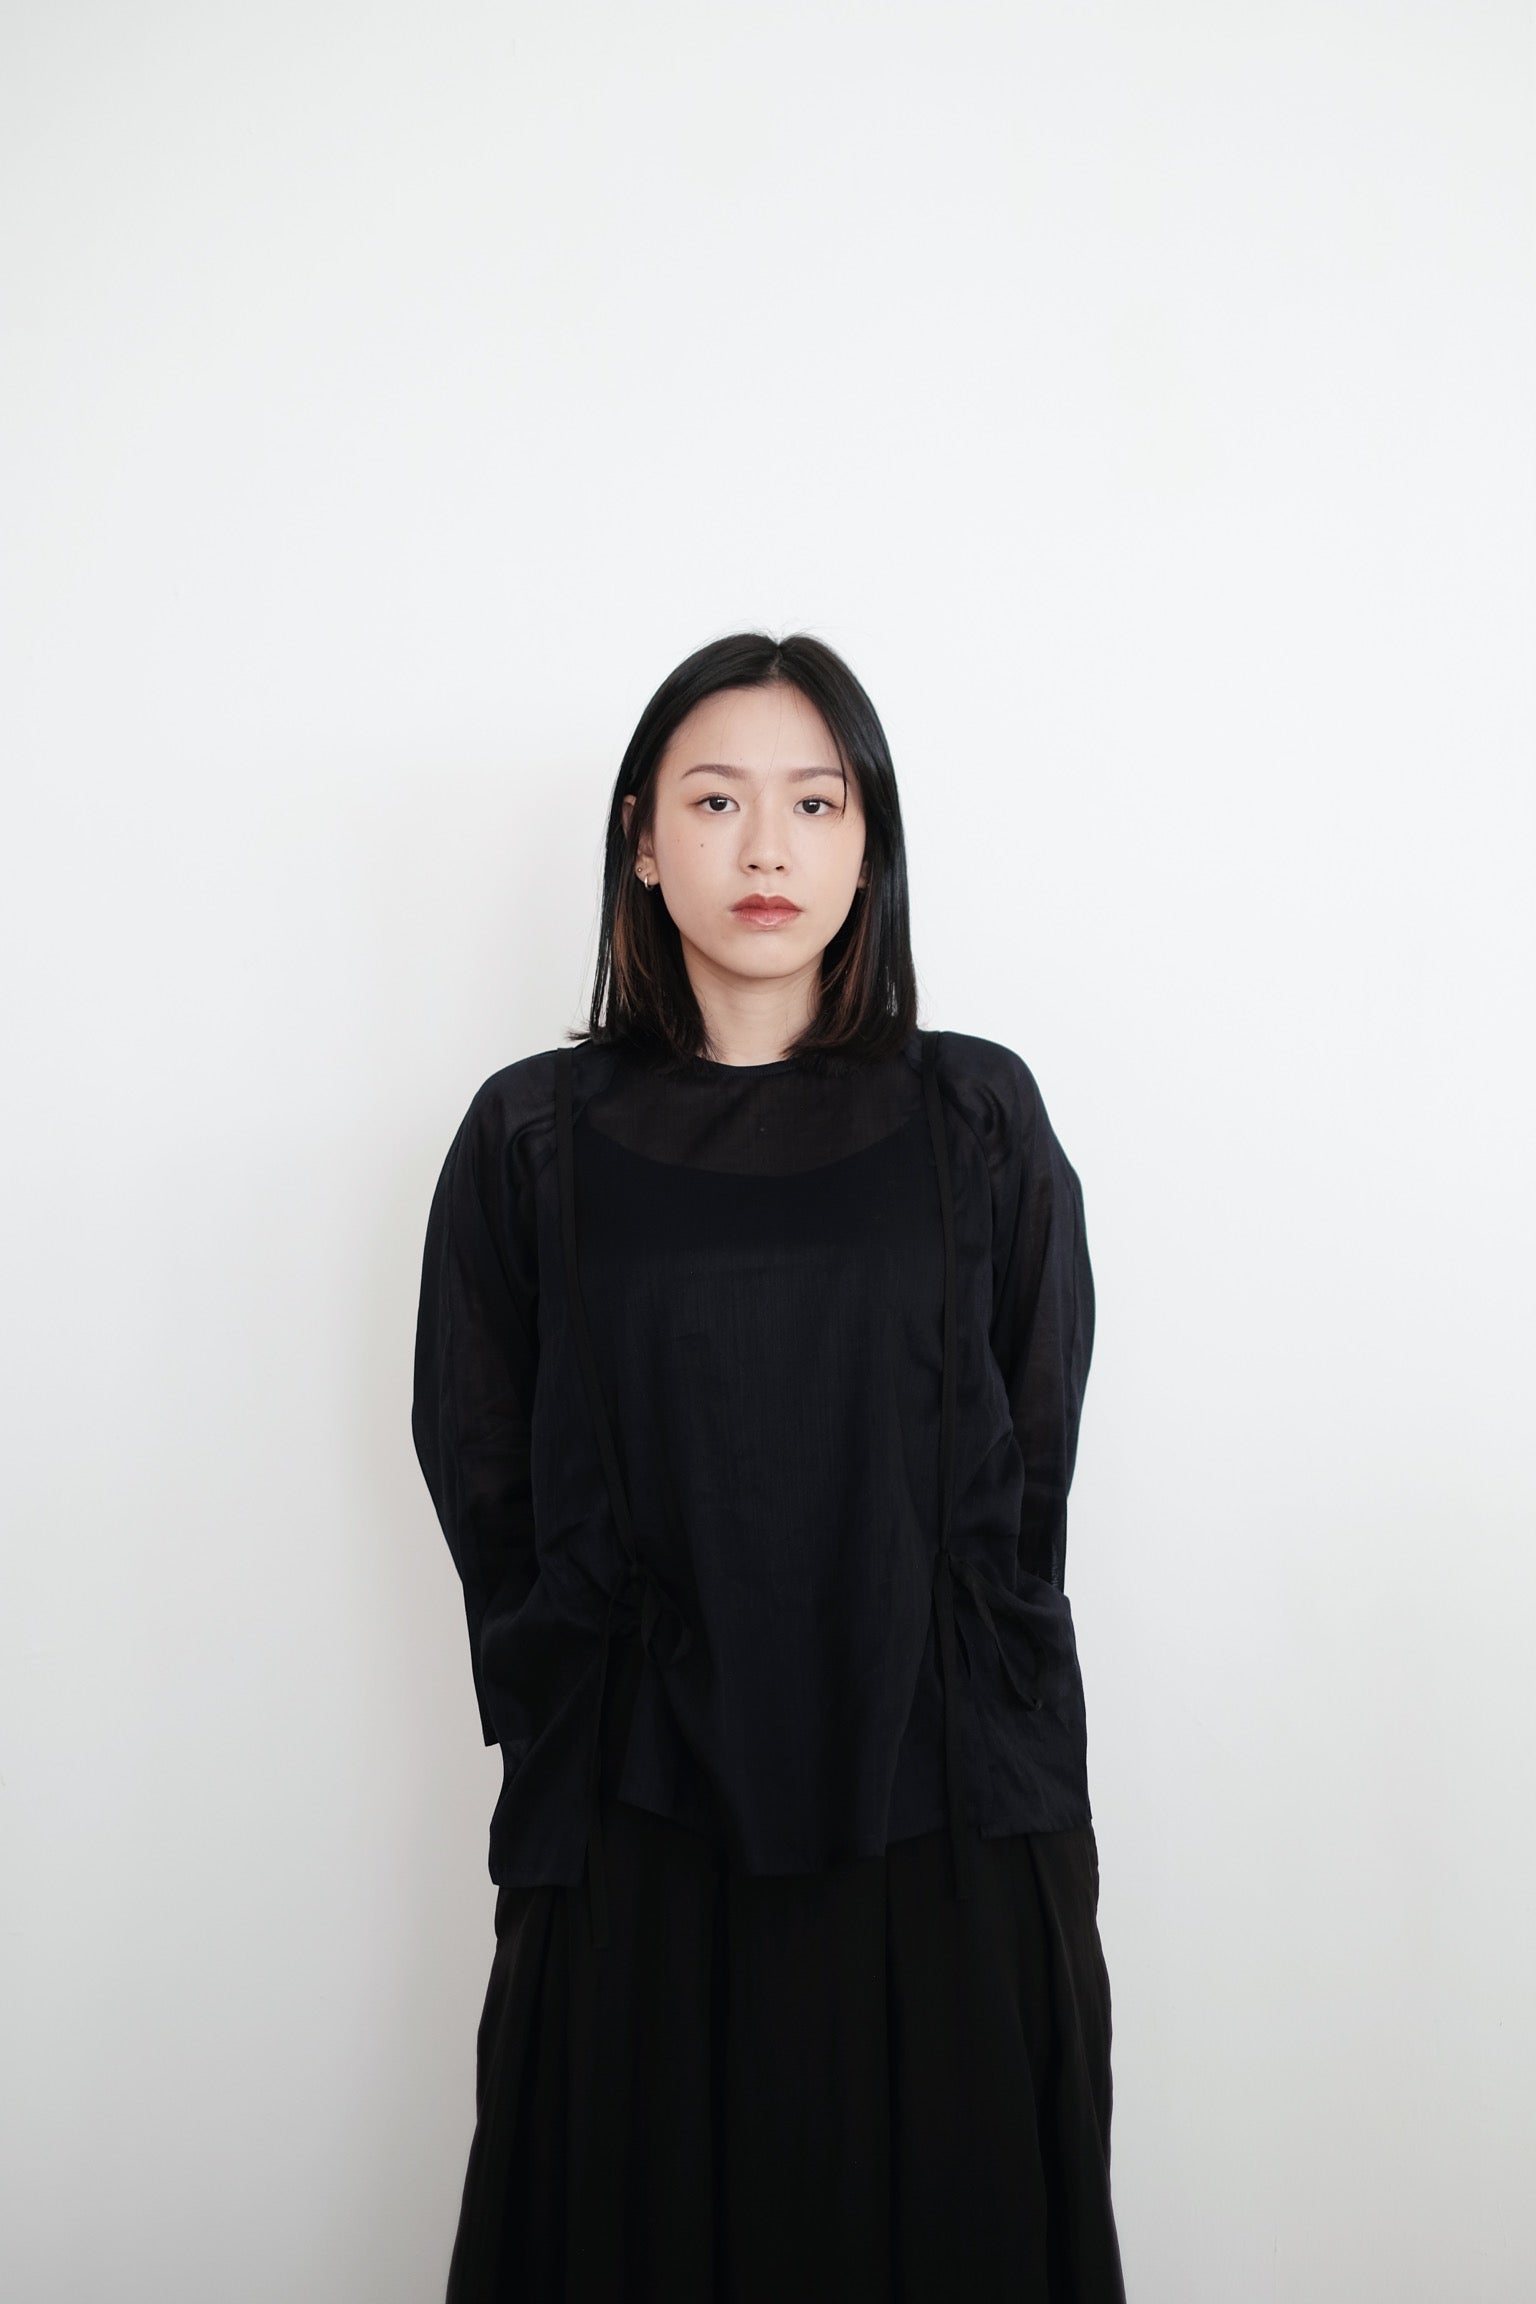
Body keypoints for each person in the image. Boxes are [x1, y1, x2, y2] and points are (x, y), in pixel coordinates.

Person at [411, 631, 1127, 2303]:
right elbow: (483, 1469)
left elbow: (1030, 1463)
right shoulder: (532, 1135)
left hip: (942, 1807)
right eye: (716, 800)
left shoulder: (976, 1118)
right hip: (639, 1808)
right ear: (643, 843)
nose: (766, 848)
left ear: (869, 844)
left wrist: (947, 1679)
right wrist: (596, 1704)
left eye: (815, 802)